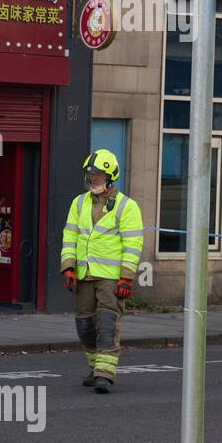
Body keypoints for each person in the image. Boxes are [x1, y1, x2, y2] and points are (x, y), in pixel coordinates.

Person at [59, 149, 144, 393]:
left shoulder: (127, 207)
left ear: (110, 177)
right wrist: (68, 267)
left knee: (107, 325)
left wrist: (126, 278)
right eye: (90, 174)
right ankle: (96, 367)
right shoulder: (79, 203)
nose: (92, 179)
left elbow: (133, 244)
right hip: (84, 276)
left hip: (110, 279)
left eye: (97, 175)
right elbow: (70, 236)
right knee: (85, 326)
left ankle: (104, 375)